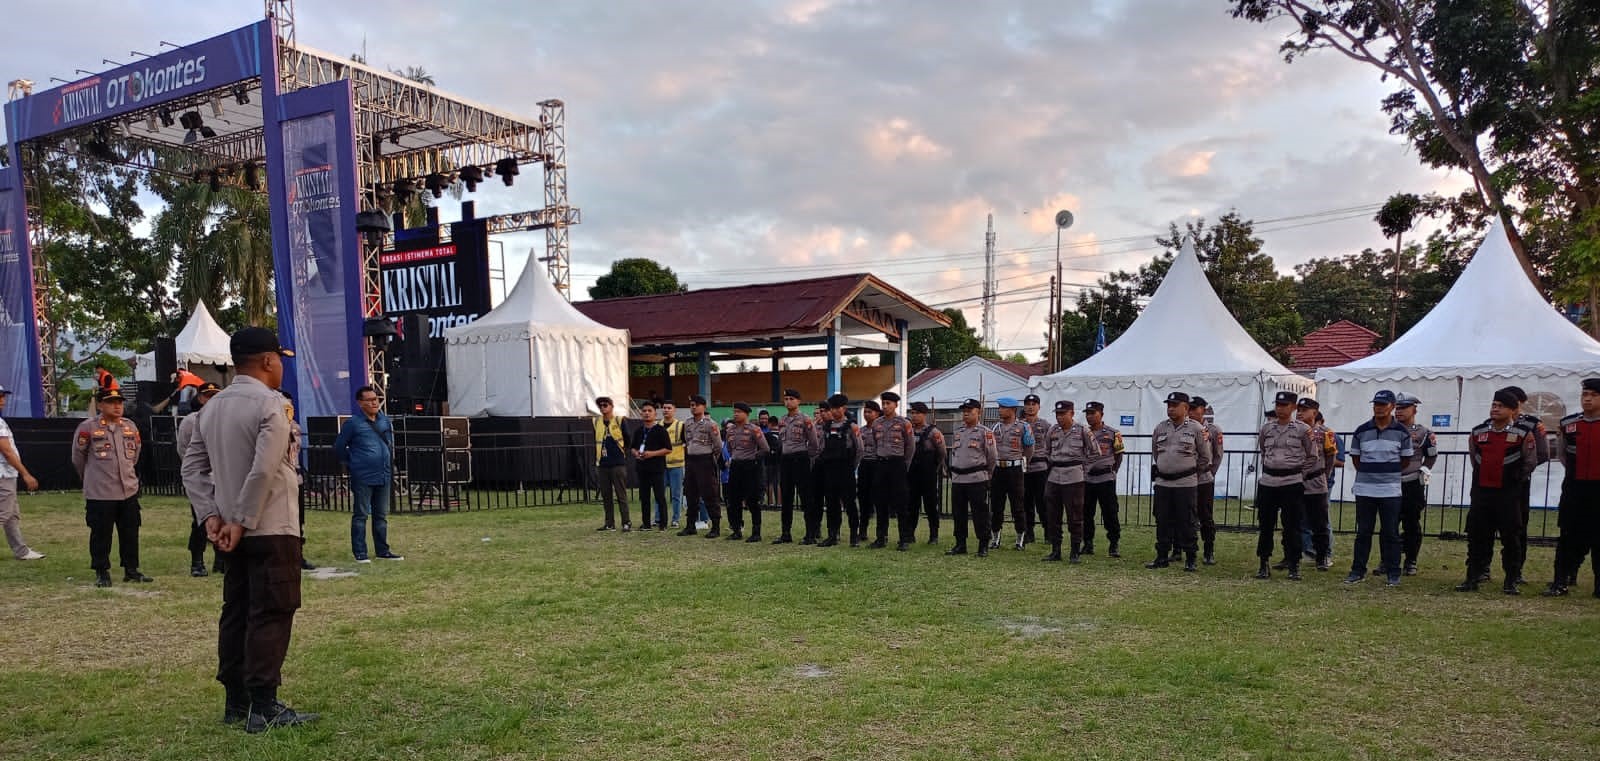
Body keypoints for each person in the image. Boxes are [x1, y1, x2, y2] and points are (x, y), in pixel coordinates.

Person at [181, 326, 318, 732]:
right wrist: (242, 520)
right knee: (272, 611)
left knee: (237, 611)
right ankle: (264, 705)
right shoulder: (271, 405)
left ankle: (236, 702)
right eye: (279, 361)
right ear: (268, 360)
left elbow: (192, 468)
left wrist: (212, 516)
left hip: (228, 527)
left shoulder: (211, 408)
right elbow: (264, 468)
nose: (280, 369)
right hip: (271, 527)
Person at [1456, 389, 1537, 594]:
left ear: (1512, 410)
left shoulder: (1522, 434)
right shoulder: (1478, 432)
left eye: (1500, 406)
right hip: (1482, 492)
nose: (1495, 409)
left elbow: (1530, 461)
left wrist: (1514, 479)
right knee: (1477, 536)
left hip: (1508, 494)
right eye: (1493, 405)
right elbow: (1475, 458)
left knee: (1511, 537)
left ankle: (1511, 580)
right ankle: (1472, 577)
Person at [73, 387, 149, 587]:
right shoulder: (88, 427)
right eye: (111, 402)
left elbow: (136, 455)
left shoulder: (130, 426)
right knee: (101, 533)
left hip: (128, 490)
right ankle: (102, 571)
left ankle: (131, 569)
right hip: (100, 492)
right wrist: (90, 478)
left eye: (120, 402)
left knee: (130, 532)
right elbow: (78, 458)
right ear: (100, 405)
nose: (117, 406)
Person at [1344, 389, 1414, 587]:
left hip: (1390, 489)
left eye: (1383, 405)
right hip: (1365, 489)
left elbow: (1406, 460)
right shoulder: (1361, 430)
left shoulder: (1401, 432)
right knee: (1363, 532)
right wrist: (1371, 472)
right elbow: (1356, 459)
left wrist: (1386, 472)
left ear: (1392, 406)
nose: (1379, 408)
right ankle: (1357, 570)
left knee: (1390, 532)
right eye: (1376, 404)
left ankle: (1393, 572)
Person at [1545, 377, 1600, 597]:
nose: (1587, 399)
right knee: (1568, 535)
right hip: (1575, 488)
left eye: (1594, 395)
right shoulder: (1569, 424)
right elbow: (1563, 455)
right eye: (1585, 395)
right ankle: (1560, 581)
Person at [332, 386, 400, 562]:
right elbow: (339, 447)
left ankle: (382, 550)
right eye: (369, 400)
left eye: (376, 398)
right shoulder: (353, 423)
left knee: (381, 515)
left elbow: (389, 443)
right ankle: (360, 552)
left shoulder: (384, 421)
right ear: (360, 403)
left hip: (383, 474)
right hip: (363, 475)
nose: (374, 402)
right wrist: (352, 463)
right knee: (361, 514)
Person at [1254, 391, 1316, 581]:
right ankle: (1263, 562)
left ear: (1293, 407)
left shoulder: (1302, 430)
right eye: (1278, 405)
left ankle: (1293, 563)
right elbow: (1264, 450)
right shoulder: (1267, 429)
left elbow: (1312, 456)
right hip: (1269, 482)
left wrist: (1298, 473)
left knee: (1292, 526)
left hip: (1291, 482)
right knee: (1265, 525)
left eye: (1284, 405)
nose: (1280, 408)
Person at [1148, 392, 1210, 572]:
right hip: (1163, 483)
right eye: (1169, 405)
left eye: (1175, 405)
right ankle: (1162, 556)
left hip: (1185, 483)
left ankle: (1190, 558)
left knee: (1187, 521)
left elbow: (1204, 458)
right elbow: (1156, 453)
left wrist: (1189, 472)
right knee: (1162, 520)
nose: (1171, 408)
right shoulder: (1160, 428)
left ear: (1186, 408)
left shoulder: (1196, 429)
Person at [1502, 385, 1550, 586]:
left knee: (1518, 526)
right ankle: (1481, 568)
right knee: (1484, 526)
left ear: (1520, 403)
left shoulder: (1532, 424)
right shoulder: (1491, 424)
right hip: (1492, 484)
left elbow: (1542, 454)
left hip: (1518, 483)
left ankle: (1516, 570)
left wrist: (1520, 472)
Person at [1042, 400, 1099, 563]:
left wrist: (1083, 469)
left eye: (1063, 414)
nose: (1059, 417)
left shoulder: (1082, 430)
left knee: (1075, 516)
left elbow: (1095, 452)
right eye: (1057, 414)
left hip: (1074, 477)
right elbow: (1046, 451)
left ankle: (1074, 552)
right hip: (1054, 476)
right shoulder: (1052, 430)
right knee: (1053, 515)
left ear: (1072, 413)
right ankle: (1055, 550)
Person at [177, 382, 224, 576]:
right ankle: (197, 561)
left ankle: (220, 561)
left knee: (224, 519)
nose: (212, 399)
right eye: (208, 395)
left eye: (215, 395)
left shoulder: (225, 419)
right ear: (200, 398)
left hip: (222, 479)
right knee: (200, 521)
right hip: (202, 479)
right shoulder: (191, 420)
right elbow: (183, 449)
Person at [1394, 393, 1439, 576]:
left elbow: (1431, 454)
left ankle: (1411, 560)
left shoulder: (1423, 432)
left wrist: (1424, 470)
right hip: (1390, 482)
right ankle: (1388, 559)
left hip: (1412, 482)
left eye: (1403, 408)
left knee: (1411, 523)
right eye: (1397, 408)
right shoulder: (1387, 429)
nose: (1399, 412)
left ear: (1414, 409)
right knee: (1389, 524)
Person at [945, 398, 997, 557]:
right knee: (958, 513)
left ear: (978, 412)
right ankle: (961, 544)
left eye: (970, 411)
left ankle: (983, 545)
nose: (966, 413)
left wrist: (987, 475)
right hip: (959, 479)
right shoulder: (958, 432)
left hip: (976, 479)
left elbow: (992, 456)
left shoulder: (985, 432)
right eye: (964, 411)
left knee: (979, 514)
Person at [0, 384, 44, 561]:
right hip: (4, 474)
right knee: (3, 513)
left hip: (6, 474)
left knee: (11, 515)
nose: (3, 400)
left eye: (3, 396)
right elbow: (7, 451)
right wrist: (26, 474)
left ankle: (21, 550)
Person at [1295, 399, 1338, 571]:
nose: (1300, 413)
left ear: (1314, 412)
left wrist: (1324, 477)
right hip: (1294, 480)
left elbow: (1330, 458)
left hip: (1315, 481)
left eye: (1305, 410)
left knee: (1321, 521)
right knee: (1295, 520)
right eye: (1298, 409)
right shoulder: (1292, 430)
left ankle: (1323, 555)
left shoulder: (1325, 433)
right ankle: (1294, 554)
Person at [817, 394, 864, 547]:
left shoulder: (852, 426)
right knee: (831, 503)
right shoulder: (827, 426)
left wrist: (852, 467)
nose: (834, 411)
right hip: (830, 469)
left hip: (846, 469)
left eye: (837, 408)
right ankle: (832, 535)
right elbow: (821, 447)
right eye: (832, 408)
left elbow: (859, 450)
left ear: (844, 408)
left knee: (850, 503)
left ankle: (853, 536)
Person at [775, 389, 821, 545]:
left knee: (806, 498)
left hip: (800, 459)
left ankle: (810, 534)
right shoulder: (782, 420)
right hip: (786, 460)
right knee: (786, 497)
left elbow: (814, 443)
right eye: (786, 398)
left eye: (791, 399)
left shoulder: (805, 419)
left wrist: (807, 458)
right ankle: (785, 533)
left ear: (798, 401)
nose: (788, 401)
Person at [989, 397, 1035, 551]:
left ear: (1012, 410)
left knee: (1018, 506)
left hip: (1014, 469)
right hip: (998, 469)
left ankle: (1020, 538)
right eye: (999, 407)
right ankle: (995, 538)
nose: (1000, 410)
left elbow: (1029, 447)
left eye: (1003, 407)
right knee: (996, 505)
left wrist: (1023, 462)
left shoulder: (1023, 427)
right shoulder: (995, 427)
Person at [1080, 401, 1123, 558]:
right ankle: (1088, 543)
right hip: (1088, 478)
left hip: (1106, 478)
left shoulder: (1113, 433)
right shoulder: (1083, 432)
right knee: (1086, 513)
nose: (1090, 416)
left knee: (1110, 512)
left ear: (1101, 414)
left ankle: (1113, 544)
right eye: (1088, 413)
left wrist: (1113, 471)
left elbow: (1119, 455)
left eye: (1093, 413)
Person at [678, 395, 723, 538]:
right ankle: (690, 525)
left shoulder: (711, 424)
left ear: (703, 407)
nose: (693, 407)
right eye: (691, 405)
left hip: (705, 461)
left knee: (709, 494)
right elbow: (686, 440)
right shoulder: (688, 423)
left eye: (696, 405)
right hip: (691, 461)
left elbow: (718, 446)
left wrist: (710, 458)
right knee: (690, 493)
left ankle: (715, 526)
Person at [724, 403, 770, 542]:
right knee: (734, 500)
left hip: (750, 467)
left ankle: (756, 532)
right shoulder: (730, 430)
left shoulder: (753, 429)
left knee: (752, 500)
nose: (735, 414)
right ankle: (737, 530)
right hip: (736, 466)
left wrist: (753, 457)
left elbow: (765, 448)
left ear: (746, 414)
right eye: (734, 411)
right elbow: (731, 449)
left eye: (738, 412)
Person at [1187, 397, 1223, 564]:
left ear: (1203, 410)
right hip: (1185, 478)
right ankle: (1181, 548)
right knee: (1184, 515)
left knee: (1205, 516)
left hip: (1203, 479)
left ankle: (1209, 550)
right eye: (1189, 408)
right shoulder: (1184, 428)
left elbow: (1217, 455)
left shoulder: (1213, 430)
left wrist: (1210, 473)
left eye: (1195, 409)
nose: (1191, 412)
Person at [628, 400, 672, 531]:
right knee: (644, 497)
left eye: (649, 411)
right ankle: (646, 523)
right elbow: (633, 447)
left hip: (657, 468)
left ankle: (663, 523)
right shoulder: (638, 431)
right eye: (644, 411)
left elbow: (668, 449)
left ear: (655, 414)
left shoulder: (660, 430)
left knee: (659, 496)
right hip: (642, 468)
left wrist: (652, 454)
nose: (646, 413)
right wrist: (636, 453)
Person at [906, 401, 946, 545]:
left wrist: (937, 467)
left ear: (924, 414)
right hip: (912, 473)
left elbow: (942, 452)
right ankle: (910, 533)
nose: (914, 416)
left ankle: (933, 534)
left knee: (930, 505)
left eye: (917, 413)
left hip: (928, 472)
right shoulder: (908, 430)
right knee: (912, 504)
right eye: (912, 413)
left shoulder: (933, 432)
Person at [592, 396, 630, 531]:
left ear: (611, 406)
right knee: (606, 495)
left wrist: (623, 454)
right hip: (603, 463)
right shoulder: (596, 422)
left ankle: (626, 522)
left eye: (605, 405)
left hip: (617, 463)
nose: (603, 408)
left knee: (621, 495)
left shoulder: (620, 420)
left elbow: (627, 438)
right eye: (600, 406)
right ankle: (609, 523)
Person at [1021, 394, 1050, 545]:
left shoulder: (1045, 425)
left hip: (1040, 468)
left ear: (1039, 406)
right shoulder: (1019, 424)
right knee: (1026, 502)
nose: (1031, 406)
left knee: (1043, 502)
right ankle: (1028, 532)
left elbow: (1052, 445)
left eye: (1034, 404)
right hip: (1024, 469)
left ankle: (1048, 532)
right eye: (1028, 404)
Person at [855, 401, 881, 545]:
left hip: (878, 464)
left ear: (877, 413)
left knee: (879, 500)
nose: (866, 414)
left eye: (869, 412)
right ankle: (862, 531)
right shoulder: (862, 430)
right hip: (865, 464)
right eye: (865, 412)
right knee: (863, 499)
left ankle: (881, 533)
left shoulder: (882, 429)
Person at [661, 401, 687, 529]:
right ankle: (658, 518)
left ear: (674, 410)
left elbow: (686, 443)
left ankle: (675, 519)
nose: (666, 410)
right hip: (660, 465)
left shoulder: (680, 425)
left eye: (669, 408)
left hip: (676, 465)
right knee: (659, 494)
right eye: (664, 408)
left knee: (676, 495)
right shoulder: (658, 425)